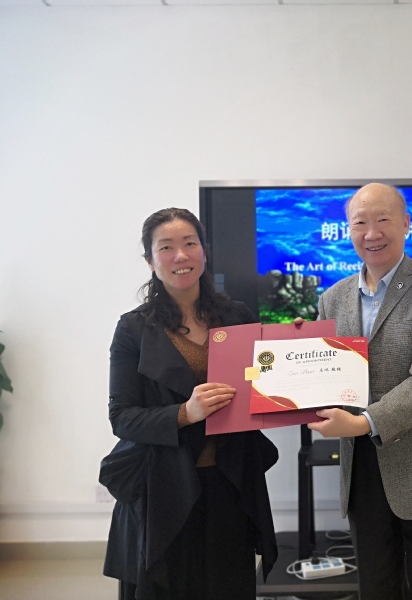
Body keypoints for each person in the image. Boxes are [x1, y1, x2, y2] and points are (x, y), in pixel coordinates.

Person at [100, 208, 278, 600]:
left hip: (230, 485)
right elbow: (121, 417)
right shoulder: (133, 329)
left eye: (189, 243)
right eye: (166, 247)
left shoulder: (236, 315)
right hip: (163, 490)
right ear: (150, 261)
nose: (180, 255)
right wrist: (185, 413)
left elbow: (263, 383)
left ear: (204, 252)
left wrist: (293, 348)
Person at [308, 183, 412, 600]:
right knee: (376, 588)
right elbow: (326, 374)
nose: (371, 233)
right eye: (359, 223)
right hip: (362, 469)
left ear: (406, 224)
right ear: (347, 229)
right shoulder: (332, 299)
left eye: (382, 220)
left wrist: (365, 421)